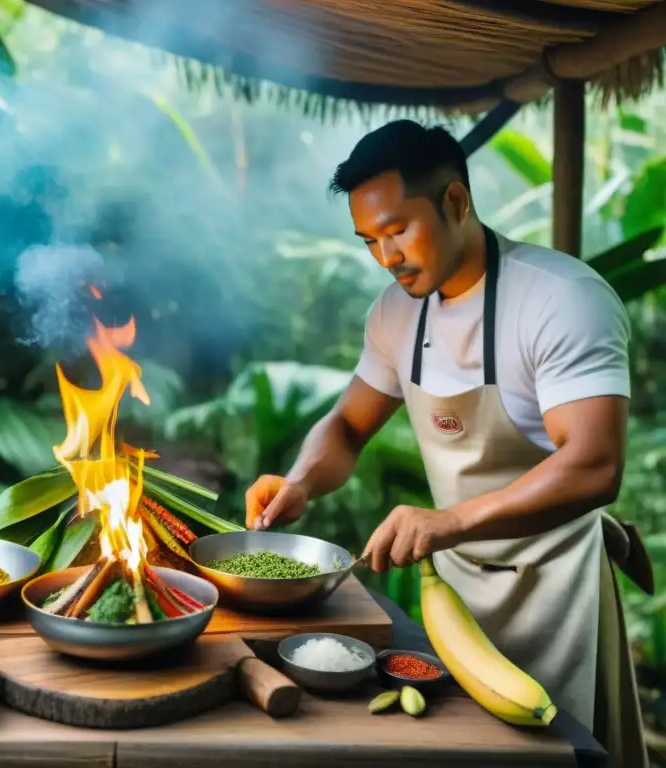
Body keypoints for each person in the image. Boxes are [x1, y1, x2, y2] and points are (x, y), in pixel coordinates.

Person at [245, 120, 646, 766]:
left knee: (564, 752)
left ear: (456, 202)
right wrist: (298, 482)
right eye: (369, 241)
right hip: (454, 593)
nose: (386, 257)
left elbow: (595, 466)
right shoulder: (396, 312)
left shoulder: (562, 299)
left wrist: (449, 520)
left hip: (559, 587)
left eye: (398, 230)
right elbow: (347, 426)